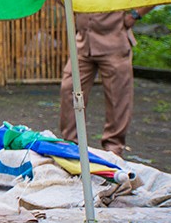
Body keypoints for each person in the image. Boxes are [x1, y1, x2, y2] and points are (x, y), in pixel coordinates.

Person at [58, 8, 152, 158]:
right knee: (69, 88)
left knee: (118, 97)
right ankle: (71, 145)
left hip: (113, 42)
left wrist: (135, 15)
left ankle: (113, 149)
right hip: (83, 43)